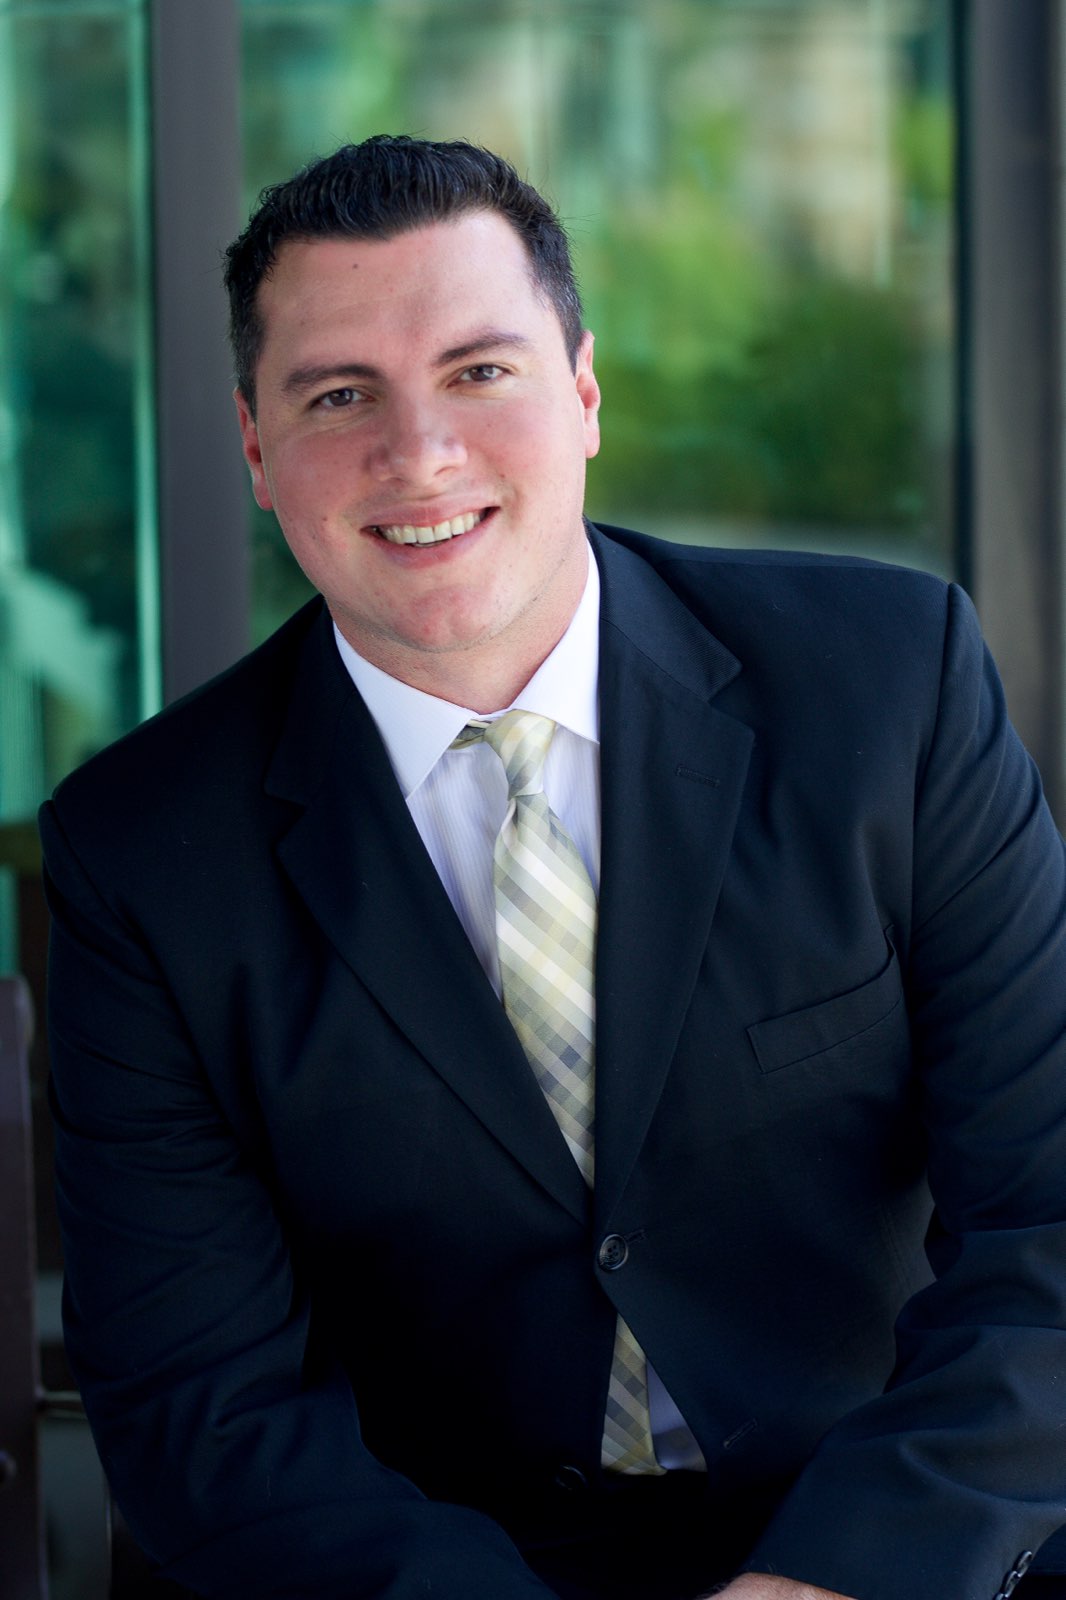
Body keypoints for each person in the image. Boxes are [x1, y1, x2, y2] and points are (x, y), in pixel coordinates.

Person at [41, 135, 1066, 1600]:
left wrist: (837, 1580)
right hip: (441, 1565)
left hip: (897, 1529)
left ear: (583, 391)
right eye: (341, 396)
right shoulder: (142, 853)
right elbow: (204, 1406)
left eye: (480, 371)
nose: (420, 455)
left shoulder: (886, 689)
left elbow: (1048, 1218)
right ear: (257, 451)